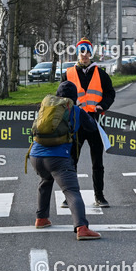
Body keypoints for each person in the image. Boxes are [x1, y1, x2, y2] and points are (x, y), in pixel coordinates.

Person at [30, 81, 101, 240]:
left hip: (36, 156)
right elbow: (92, 127)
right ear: (74, 97)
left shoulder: (46, 107)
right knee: (71, 191)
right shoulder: (76, 110)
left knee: (45, 180)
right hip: (58, 158)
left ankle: (41, 219)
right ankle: (82, 228)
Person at [65, 38, 116, 207]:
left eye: (87, 51)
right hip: (76, 123)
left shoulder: (101, 74)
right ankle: (69, 197)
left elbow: (110, 93)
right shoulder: (69, 74)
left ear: (91, 53)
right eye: (82, 51)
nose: (85, 55)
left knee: (97, 163)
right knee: (72, 161)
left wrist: (103, 105)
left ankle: (99, 196)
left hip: (95, 123)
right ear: (78, 53)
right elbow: (61, 95)